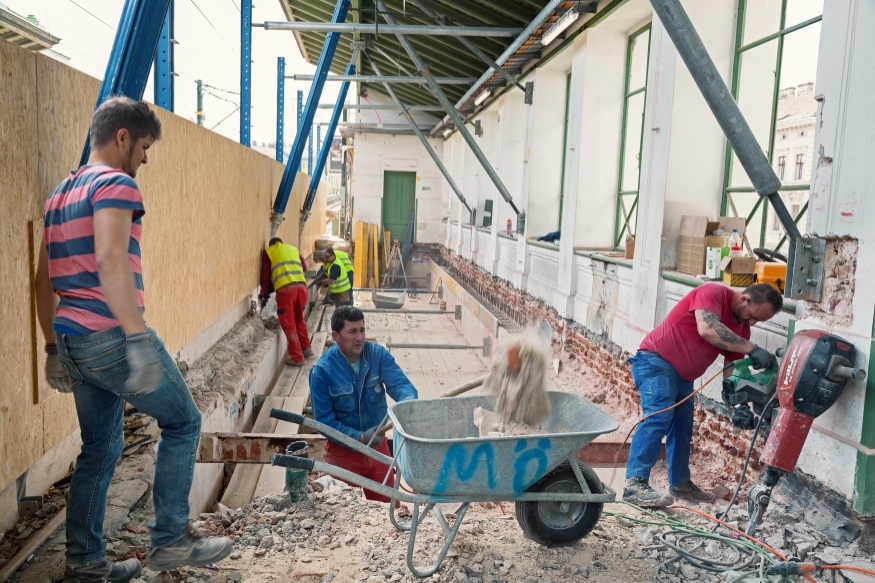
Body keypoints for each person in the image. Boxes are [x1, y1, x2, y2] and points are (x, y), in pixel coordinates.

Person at [34, 96, 231, 582]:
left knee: (100, 449)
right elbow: (109, 259)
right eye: (144, 146)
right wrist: (136, 338)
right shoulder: (115, 184)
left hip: (73, 343)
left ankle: (86, 565)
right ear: (122, 137)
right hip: (112, 336)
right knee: (184, 421)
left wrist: (51, 349)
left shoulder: (60, 195)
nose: (146, 158)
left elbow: (41, 282)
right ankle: (169, 541)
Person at [623, 282, 782, 508]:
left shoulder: (741, 329)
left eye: (758, 321)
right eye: (753, 316)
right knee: (658, 418)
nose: (752, 323)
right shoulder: (713, 292)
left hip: (683, 377)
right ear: (745, 299)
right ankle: (634, 485)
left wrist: (740, 405)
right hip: (655, 361)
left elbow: (734, 368)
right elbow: (707, 328)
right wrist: (752, 348)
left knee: (682, 429)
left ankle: (680, 484)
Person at [309, 306, 417, 506]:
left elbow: (400, 384)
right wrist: (359, 437)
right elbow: (324, 421)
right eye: (352, 332)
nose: (359, 337)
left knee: (389, 510)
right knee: (343, 512)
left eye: (362, 330)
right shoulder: (321, 372)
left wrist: (407, 401)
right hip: (344, 454)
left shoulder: (377, 355)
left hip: (378, 450)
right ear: (336, 336)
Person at [259, 237, 313, 366]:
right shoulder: (293, 249)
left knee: (289, 324)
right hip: (302, 288)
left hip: (286, 292)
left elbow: (265, 276)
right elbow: (304, 267)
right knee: (300, 320)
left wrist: (263, 294)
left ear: (272, 245)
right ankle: (307, 349)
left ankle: (297, 358)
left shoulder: (269, 251)